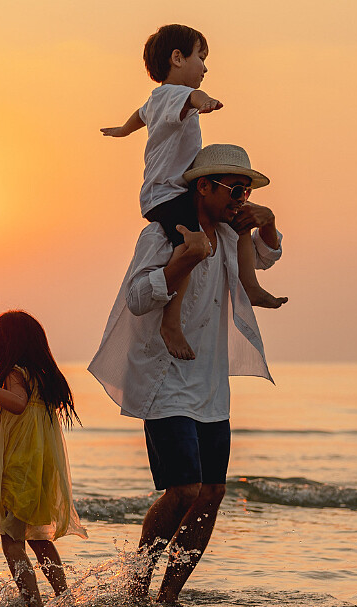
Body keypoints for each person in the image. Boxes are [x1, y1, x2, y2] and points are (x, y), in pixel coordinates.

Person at [88, 144, 284, 603]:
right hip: (165, 381)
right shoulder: (162, 234)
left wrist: (268, 221)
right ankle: (137, 588)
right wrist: (183, 258)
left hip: (212, 387)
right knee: (184, 489)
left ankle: (169, 597)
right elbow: (138, 298)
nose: (241, 199)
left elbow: (266, 256)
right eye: (235, 189)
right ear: (204, 186)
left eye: (247, 190)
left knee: (212, 492)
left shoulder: (230, 235)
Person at [101, 24, 286, 361]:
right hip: (168, 195)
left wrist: (122, 130)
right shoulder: (173, 95)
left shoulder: (156, 103)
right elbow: (193, 97)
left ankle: (251, 285)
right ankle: (171, 322)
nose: (205, 67)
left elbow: (138, 117)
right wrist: (207, 101)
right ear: (177, 58)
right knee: (190, 247)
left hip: (170, 192)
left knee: (241, 223)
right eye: (201, 57)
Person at [0, 310, 87, 607]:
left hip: (20, 468)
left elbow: (19, 405)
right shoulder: (44, 378)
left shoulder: (15, 374)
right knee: (39, 539)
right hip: (42, 469)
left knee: (11, 538)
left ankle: (33, 605)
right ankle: (64, 597)